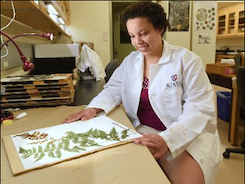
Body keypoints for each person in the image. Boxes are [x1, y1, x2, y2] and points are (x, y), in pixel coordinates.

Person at [64, 2, 221, 184]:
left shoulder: (187, 61)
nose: (137, 41)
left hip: (182, 133)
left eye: (143, 33)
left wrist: (167, 140)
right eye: (132, 35)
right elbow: (114, 88)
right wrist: (94, 107)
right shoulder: (131, 60)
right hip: (142, 129)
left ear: (160, 28)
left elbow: (199, 109)